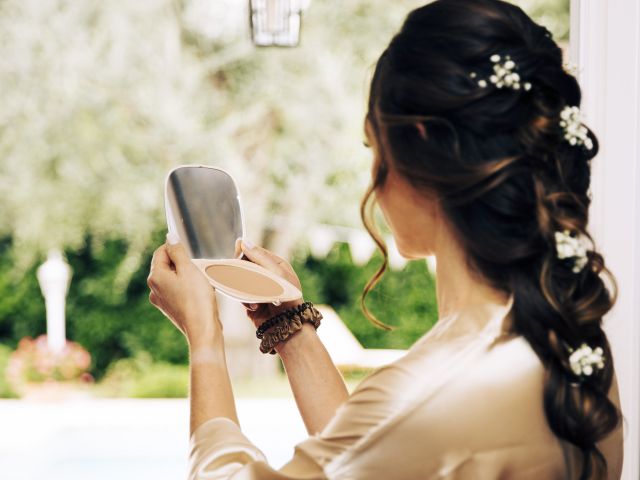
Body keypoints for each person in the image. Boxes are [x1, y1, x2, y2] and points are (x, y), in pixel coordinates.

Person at [146, 0, 624, 478]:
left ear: (420, 147)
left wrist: (205, 340)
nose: (373, 181)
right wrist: (289, 325)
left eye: (374, 148)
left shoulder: (434, 389)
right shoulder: (572, 347)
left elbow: (390, 437)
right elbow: (378, 458)